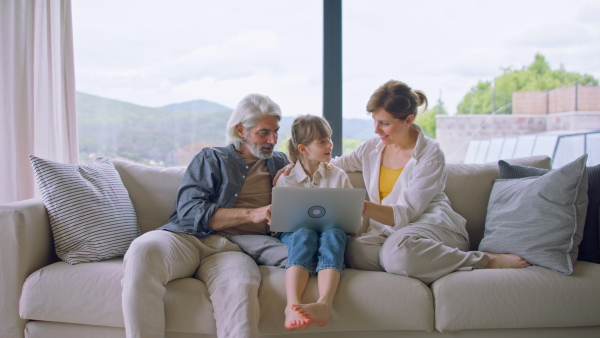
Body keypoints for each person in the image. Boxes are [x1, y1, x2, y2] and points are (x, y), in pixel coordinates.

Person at [277, 80, 531, 285]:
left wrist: (357, 205)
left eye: (384, 123)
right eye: (374, 121)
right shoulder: (372, 148)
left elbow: (405, 214)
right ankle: (413, 262)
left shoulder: (430, 154)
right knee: (354, 251)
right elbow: (336, 163)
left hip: (429, 226)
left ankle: (482, 260)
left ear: (408, 120)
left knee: (398, 252)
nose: (376, 130)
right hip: (390, 234)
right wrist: (296, 164)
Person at [121, 93, 290, 338]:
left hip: (236, 250)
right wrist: (251, 214)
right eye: (264, 132)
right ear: (241, 130)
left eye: (275, 132)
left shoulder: (280, 162)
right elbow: (189, 211)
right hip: (188, 238)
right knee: (143, 251)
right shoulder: (212, 158)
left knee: (240, 292)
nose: (273, 140)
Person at [274, 114, 354, 331]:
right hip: (297, 233)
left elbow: (354, 217)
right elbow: (280, 222)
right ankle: (292, 305)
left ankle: (324, 304)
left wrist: (349, 225)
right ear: (303, 149)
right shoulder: (286, 178)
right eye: (322, 141)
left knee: (334, 234)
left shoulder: (337, 175)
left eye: (329, 138)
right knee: (304, 234)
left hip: (331, 231)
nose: (330, 145)